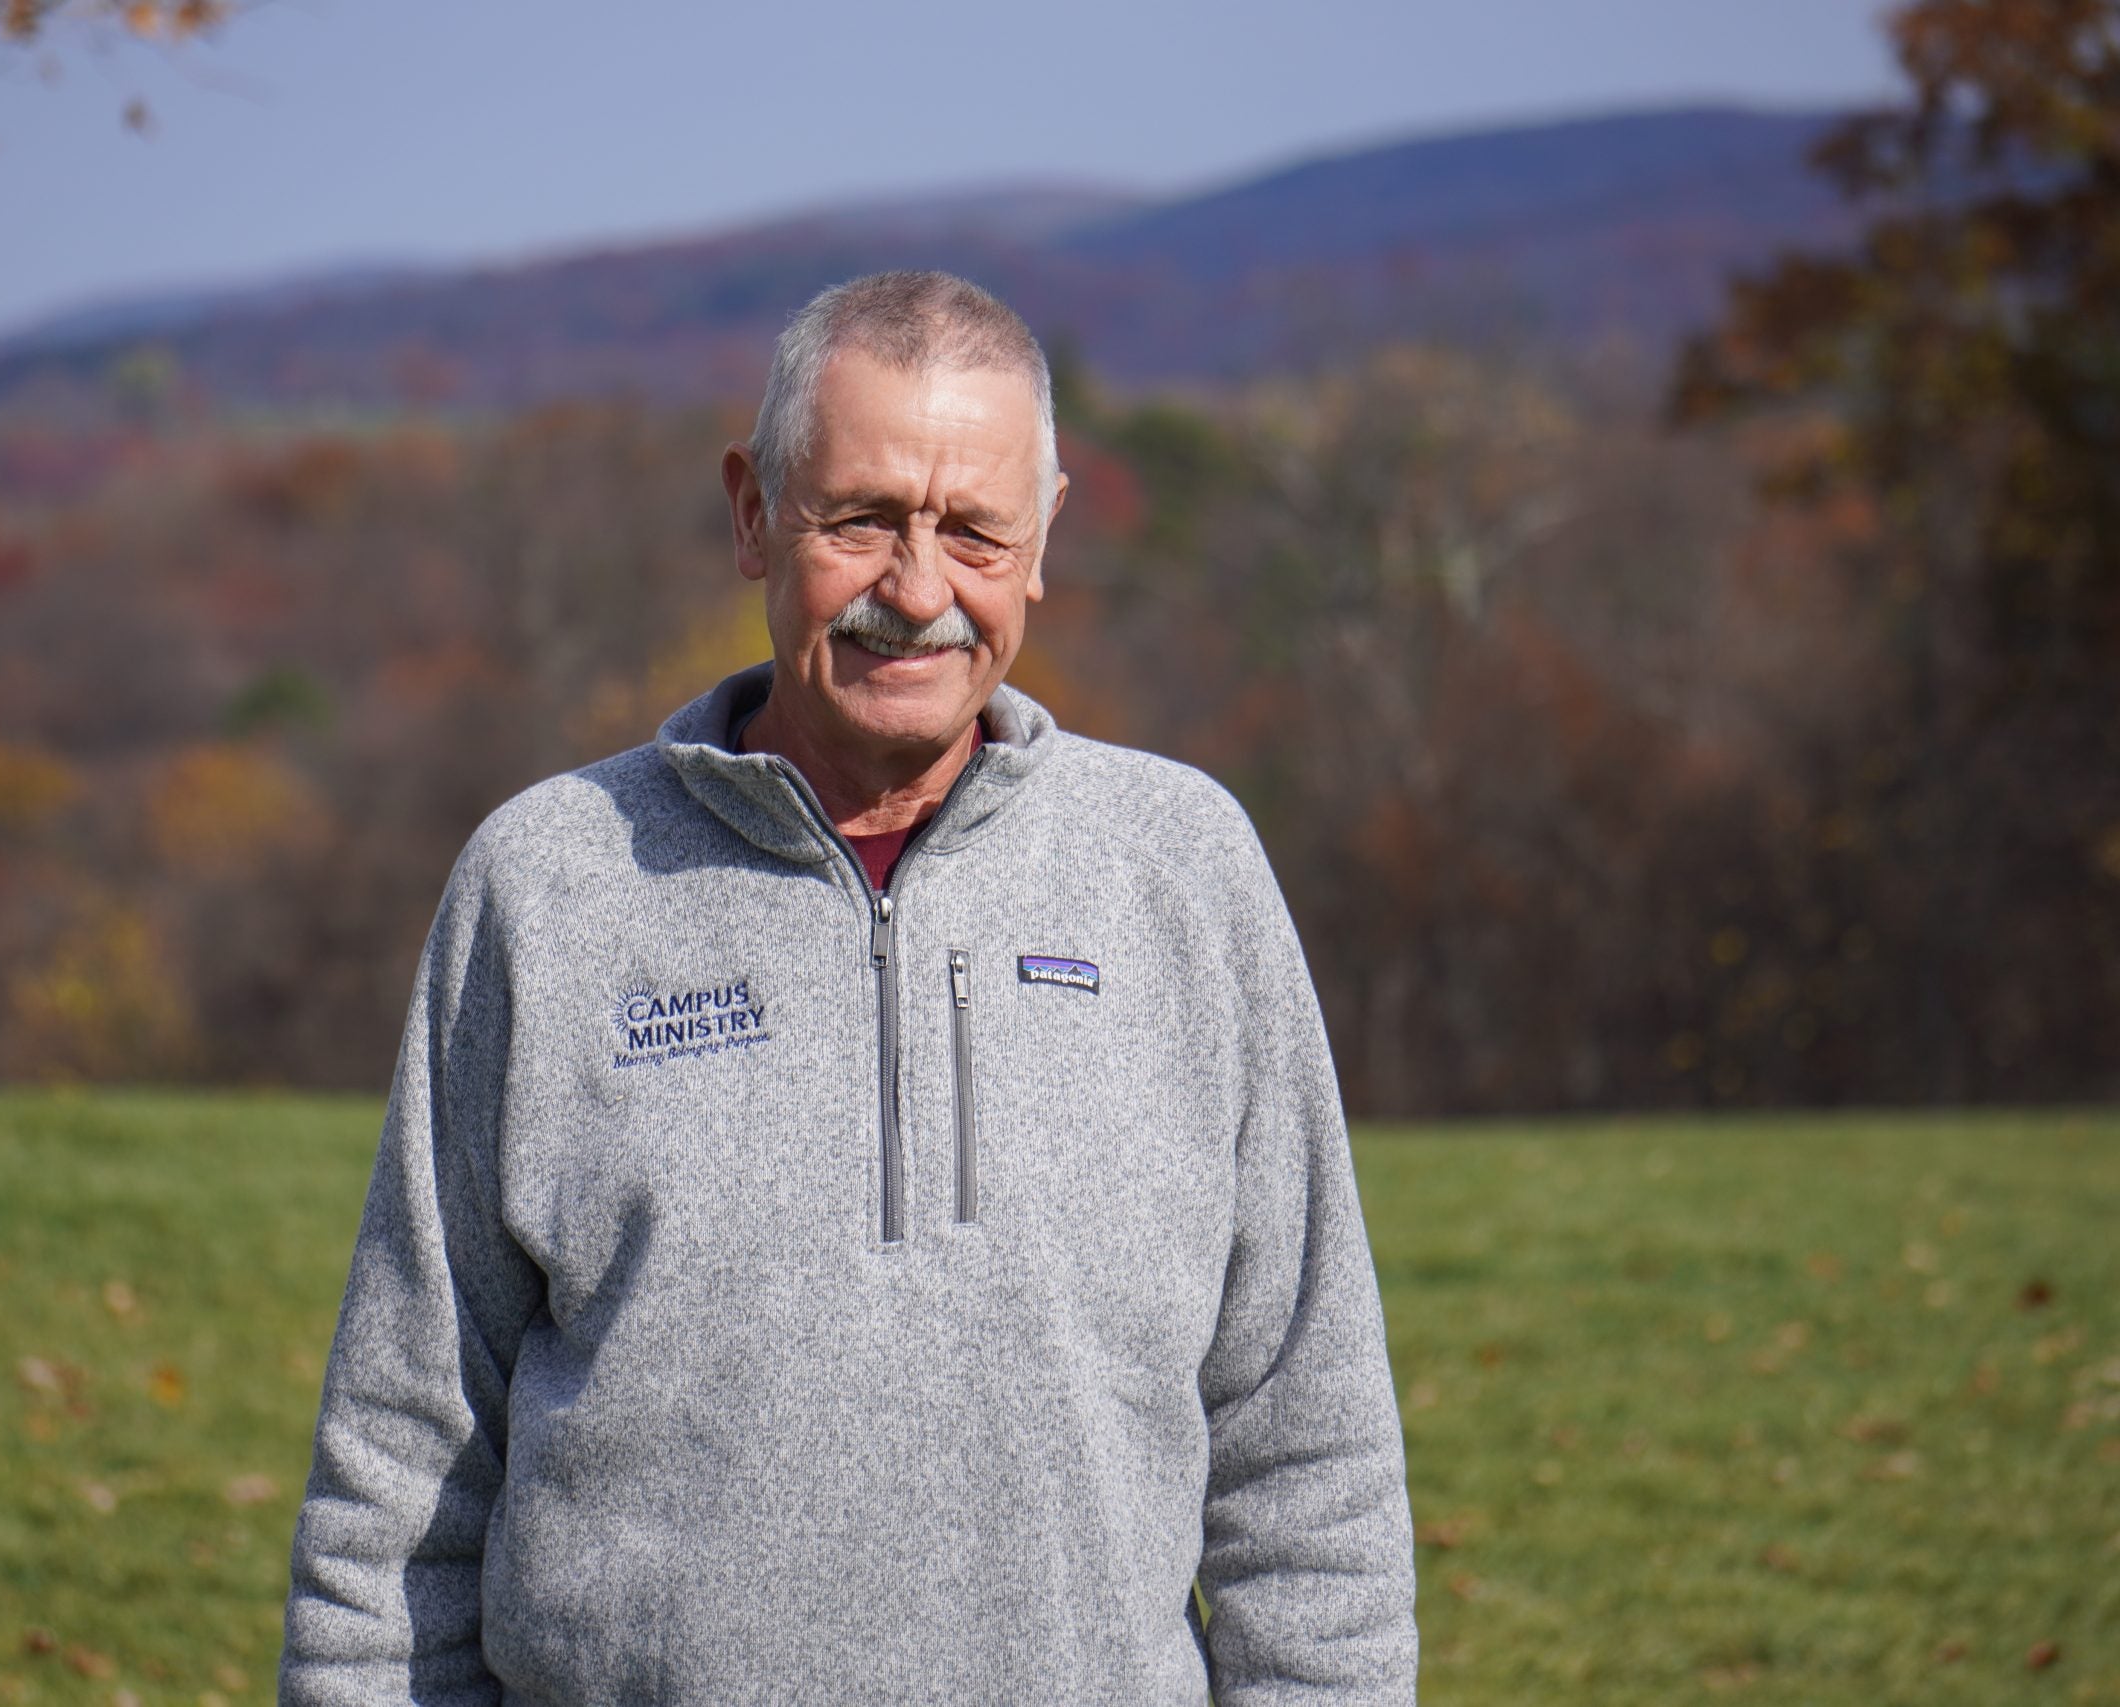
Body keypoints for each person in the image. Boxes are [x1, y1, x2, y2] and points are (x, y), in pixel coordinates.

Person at [280, 270, 1418, 1704]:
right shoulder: (550, 884)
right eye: (863, 518)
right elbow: (401, 1470)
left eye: (975, 531)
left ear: (1045, 536)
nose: (918, 590)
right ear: (755, 512)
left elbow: (1308, 1466)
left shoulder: (1182, 874)